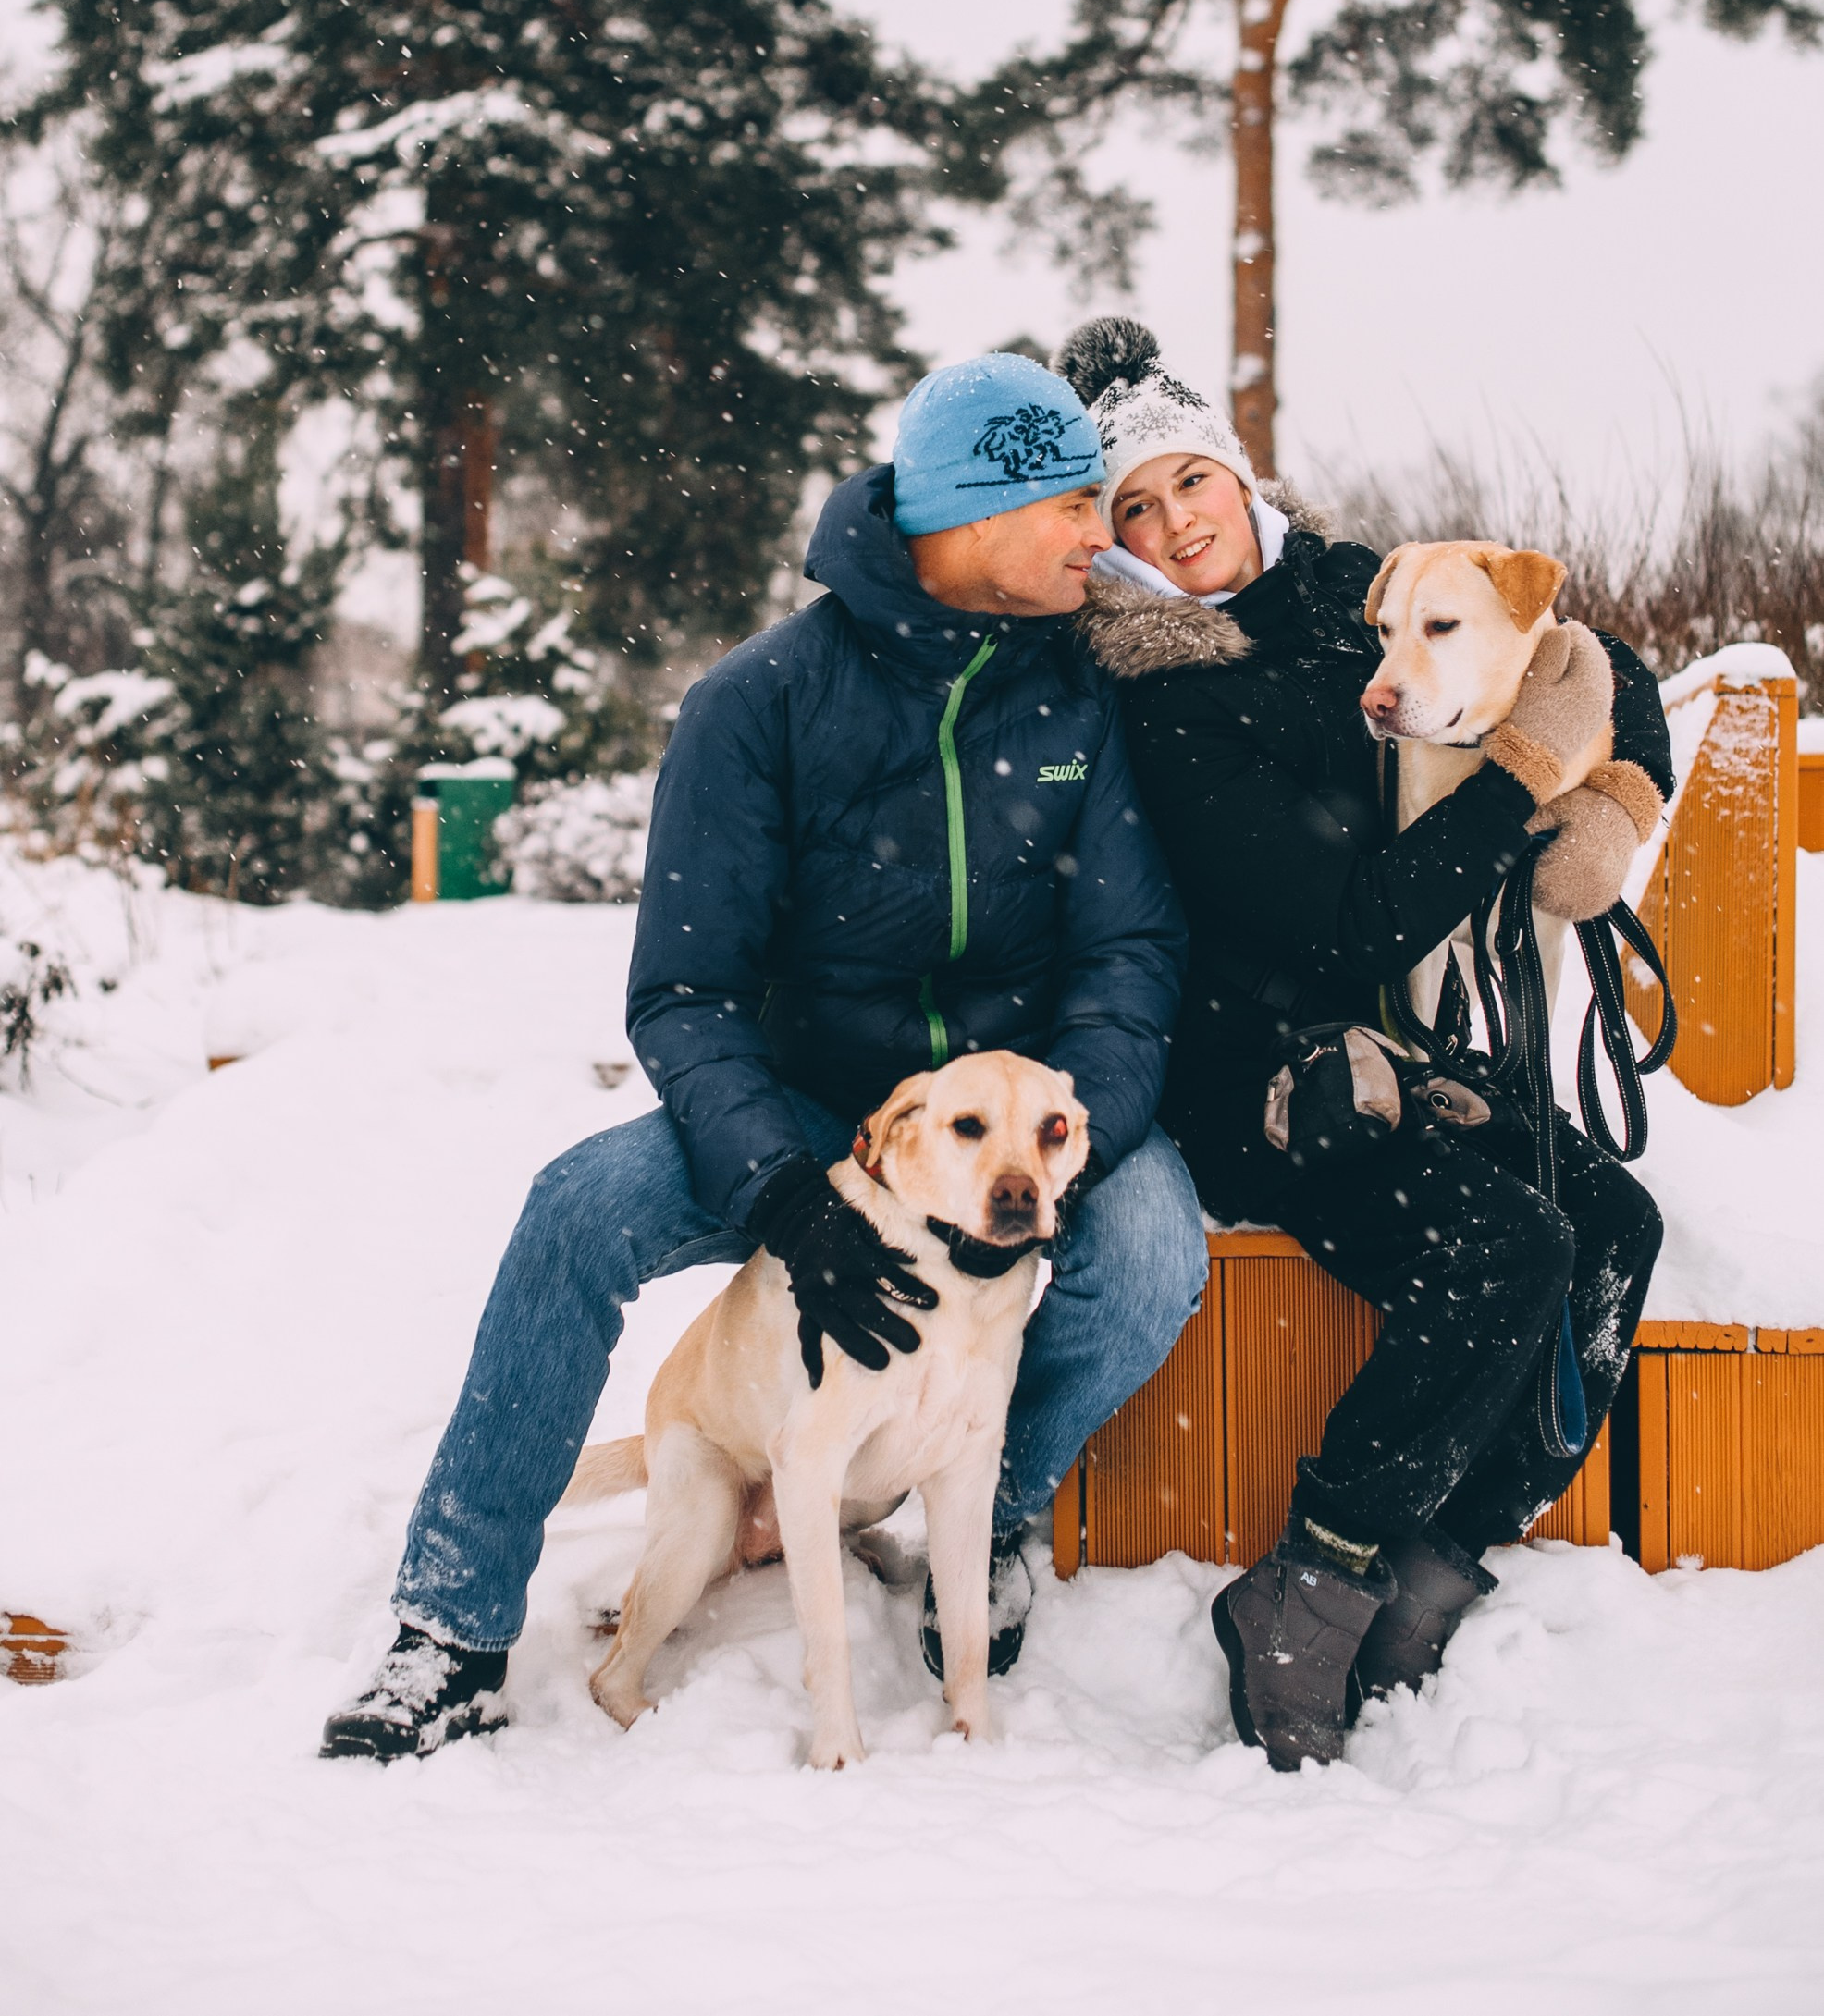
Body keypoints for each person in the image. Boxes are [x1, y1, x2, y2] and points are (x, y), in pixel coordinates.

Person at [321, 351, 1206, 1763]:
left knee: (1157, 1244)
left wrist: (1066, 1128)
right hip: (808, 1104)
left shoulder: (1075, 698)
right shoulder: (762, 702)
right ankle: (451, 1623)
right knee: (576, 1209)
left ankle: (985, 1505)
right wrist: (787, 1189)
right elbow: (685, 988)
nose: (1101, 536)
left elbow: (1128, 951)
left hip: (1010, 1110)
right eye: (1072, 507)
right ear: (976, 514)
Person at [1059, 317, 1672, 1774]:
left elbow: (1580, 650)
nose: (1174, 522)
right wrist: (1523, 774)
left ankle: (1441, 1548)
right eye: (1134, 507)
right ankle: (1311, 1577)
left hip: (1420, 1045)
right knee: (1503, 1248)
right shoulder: (1166, 695)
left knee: (1614, 1225)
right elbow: (1348, 921)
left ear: (1236, 470)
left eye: (1189, 481)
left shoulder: (1364, 589)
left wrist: (1617, 784)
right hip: (1264, 1067)